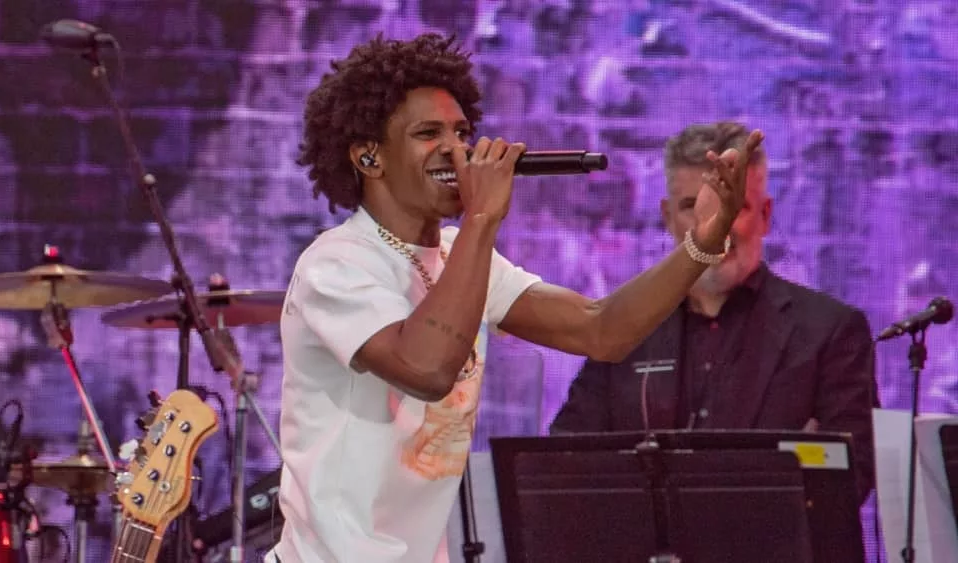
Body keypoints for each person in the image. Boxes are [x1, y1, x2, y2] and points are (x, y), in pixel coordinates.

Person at [268, 35, 762, 563]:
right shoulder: (337, 265)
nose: (456, 150)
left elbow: (602, 331)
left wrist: (703, 244)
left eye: (462, 133)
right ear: (369, 156)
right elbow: (428, 369)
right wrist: (482, 218)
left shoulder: (460, 255)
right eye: (428, 134)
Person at [549, 121, 879, 504]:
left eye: (732, 204)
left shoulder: (831, 332)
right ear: (667, 216)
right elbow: (564, 466)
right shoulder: (624, 326)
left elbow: (847, 481)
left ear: (766, 214)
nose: (714, 227)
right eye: (693, 207)